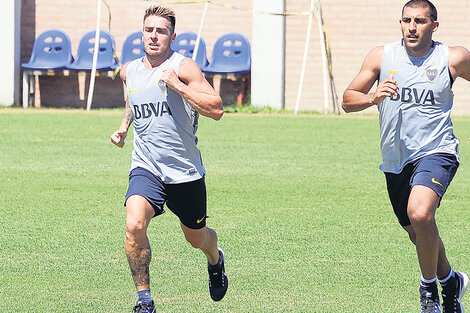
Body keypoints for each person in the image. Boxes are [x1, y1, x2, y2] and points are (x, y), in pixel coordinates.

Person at [342, 1, 469, 312]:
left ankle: (429, 294)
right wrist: (373, 97)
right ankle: (450, 280)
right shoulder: (381, 56)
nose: (412, 27)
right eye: (406, 20)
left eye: (420, 21)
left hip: (437, 150)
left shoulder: (452, 58)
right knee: (419, 233)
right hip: (396, 159)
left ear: (434, 26)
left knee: (421, 213)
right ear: (400, 23)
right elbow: (347, 99)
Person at [110, 5, 227, 312]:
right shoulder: (129, 70)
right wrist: (124, 128)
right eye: (149, 30)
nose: (154, 36)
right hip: (146, 166)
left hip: (184, 171)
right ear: (141, 33)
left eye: (161, 31)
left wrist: (177, 85)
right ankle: (144, 301)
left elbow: (216, 108)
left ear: (172, 36)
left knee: (197, 239)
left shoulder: (184, 67)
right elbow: (133, 100)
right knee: (134, 225)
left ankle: (215, 259)